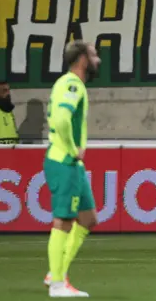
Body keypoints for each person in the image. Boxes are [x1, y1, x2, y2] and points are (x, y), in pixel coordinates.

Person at [42, 40, 101, 298]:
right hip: (64, 160)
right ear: (82, 59)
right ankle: (57, 284)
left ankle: (56, 273)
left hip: (72, 164)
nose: (98, 60)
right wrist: (72, 147)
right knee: (64, 220)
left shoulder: (68, 84)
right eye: (94, 55)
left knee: (88, 219)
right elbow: (62, 118)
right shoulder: (73, 84)